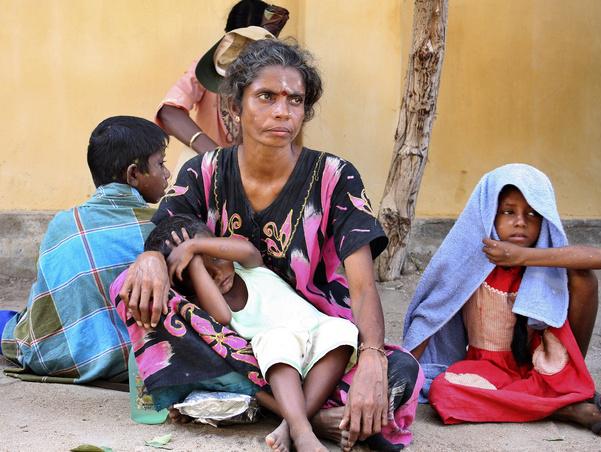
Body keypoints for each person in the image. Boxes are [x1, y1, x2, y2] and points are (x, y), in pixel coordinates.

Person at [115, 39, 423, 451]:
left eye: (294, 100)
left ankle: (265, 405)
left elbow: (364, 285)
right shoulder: (205, 172)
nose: (282, 111)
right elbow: (168, 228)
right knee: (131, 290)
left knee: (398, 371)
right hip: (239, 340)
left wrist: (371, 357)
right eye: (266, 97)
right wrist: (151, 257)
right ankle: (306, 418)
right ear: (234, 108)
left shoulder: (334, 177)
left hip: (318, 343)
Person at [403, 163, 601, 439]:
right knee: (443, 391)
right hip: (485, 370)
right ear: (489, 213)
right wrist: (401, 373)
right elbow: (432, 311)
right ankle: (566, 408)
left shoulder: (543, 264)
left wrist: (522, 257)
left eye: (532, 214)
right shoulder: (468, 260)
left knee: (584, 278)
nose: (521, 221)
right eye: (508, 212)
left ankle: (568, 384)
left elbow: (600, 259)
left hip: (541, 367)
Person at [143, 214, 358, 451]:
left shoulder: (249, 265)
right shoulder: (207, 303)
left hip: (320, 340)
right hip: (280, 360)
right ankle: (303, 431)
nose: (217, 272)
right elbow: (222, 317)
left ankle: (290, 425)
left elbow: (245, 248)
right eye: (202, 271)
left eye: (216, 257)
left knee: (342, 329)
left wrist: (193, 246)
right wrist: (194, 261)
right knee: (277, 339)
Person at [0, 116, 170, 384]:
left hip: (50, 354)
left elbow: (46, 296)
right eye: (160, 164)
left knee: (11, 322)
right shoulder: (159, 224)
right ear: (134, 174)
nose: (167, 174)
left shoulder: (64, 223)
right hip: (131, 359)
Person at [155, 0, 289, 168]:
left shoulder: (282, 75)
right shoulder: (209, 67)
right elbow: (169, 111)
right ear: (228, 39)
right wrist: (216, 155)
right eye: (240, 43)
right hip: (210, 167)